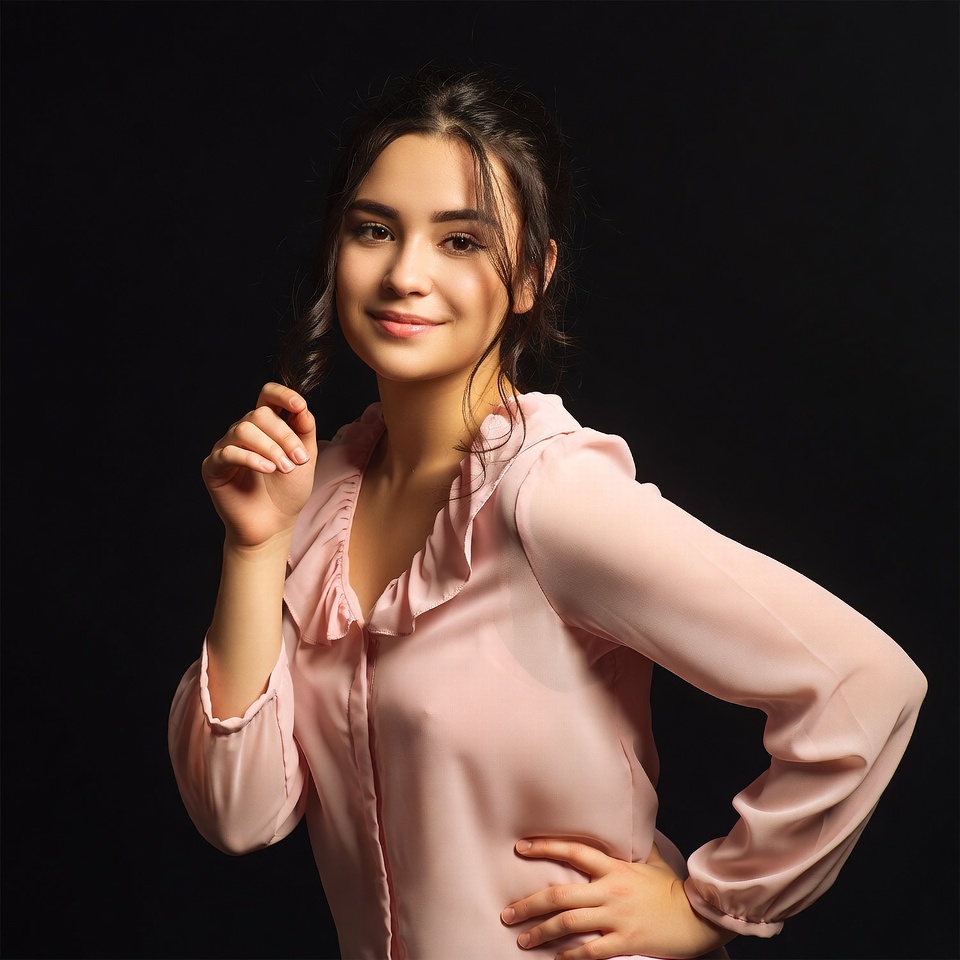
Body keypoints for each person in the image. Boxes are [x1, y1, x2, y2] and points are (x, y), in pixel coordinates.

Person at [168, 66, 926, 960]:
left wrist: (710, 905)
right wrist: (255, 550)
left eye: (461, 241)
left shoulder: (549, 495)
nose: (405, 273)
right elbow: (240, 814)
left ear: (531, 274)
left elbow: (863, 686)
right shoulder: (319, 492)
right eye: (375, 230)